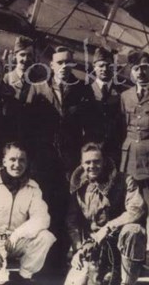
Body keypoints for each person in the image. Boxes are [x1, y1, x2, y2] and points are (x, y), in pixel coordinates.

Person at [26, 45, 92, 272]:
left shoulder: (83, 90)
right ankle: (45, 264)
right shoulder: (37, 89)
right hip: (44, 165)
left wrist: (85, 160)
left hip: (72, 164)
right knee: (46, 212)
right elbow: (27, 129)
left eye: (68, 62)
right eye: (60, 62)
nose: (64, 67)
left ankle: (66, 262)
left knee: (70, 212)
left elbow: (92, 129)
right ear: (51, 65)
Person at [0, 142, 55, 285]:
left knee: (46, 237)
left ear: (27, 163)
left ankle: (24, 276)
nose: (17, 164)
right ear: (4, 161)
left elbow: (42, 218)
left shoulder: (32, 187)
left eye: (22, 160)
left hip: (15, 241)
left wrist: (17, 234)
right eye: (12, 160)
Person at [65, 142, 145, 285]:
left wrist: (108, 227)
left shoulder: (125, 181)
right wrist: (79, 248)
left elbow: (136, 209)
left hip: (119, 244)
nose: (92, 166)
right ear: (82, 164)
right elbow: (72, 222)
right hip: (93, 246)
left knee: (134, 231)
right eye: (87, 162)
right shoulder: (79, 187)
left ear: (104, 162)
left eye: (96, 161)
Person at [119, 50, 149, 267]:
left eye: (145, 68)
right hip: (130, 160)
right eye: (137, 69)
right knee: (133, 209)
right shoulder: (125, 96)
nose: (141, 73)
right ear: (131, 72)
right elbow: (123, 127)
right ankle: (133, 259)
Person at [85, 47, 123, 167]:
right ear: (94, 66)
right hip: (92, 150)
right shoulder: (85, 91)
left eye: (109, 66)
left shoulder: (122, 92)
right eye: (101, 65)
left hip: (116, 150)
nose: (105, 69)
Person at [4, 36, 34, 105]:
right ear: (15, 57)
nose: (26, 59)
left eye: (29, 55)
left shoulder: (37, 80)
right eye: (22, 55)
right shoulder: (6, 78)